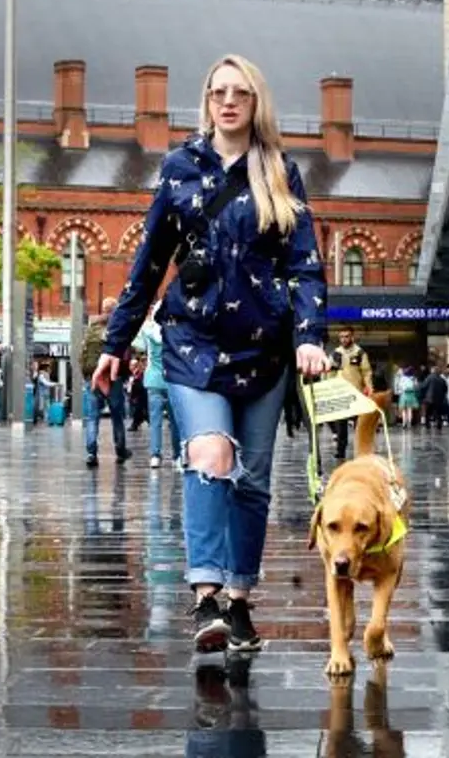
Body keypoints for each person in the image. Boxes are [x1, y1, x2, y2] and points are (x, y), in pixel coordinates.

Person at [91, 54, 330, 654]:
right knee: (209, 455)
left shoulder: (280, 171)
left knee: (252, 482)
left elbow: (304, 264)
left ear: (256, 103)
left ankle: (241, 602)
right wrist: (115, 343)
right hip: (192, 341)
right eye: (218, 92)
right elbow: (148, 263)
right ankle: (204, 597)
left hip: (263, 348)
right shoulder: (179, 169)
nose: (228, 102)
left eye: (240, 93)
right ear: (206, 102)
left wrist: (309, 336)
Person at [79, 296, 132, 467]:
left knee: (92, 417)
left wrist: (86, 375)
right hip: (112, 377)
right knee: (117, 416)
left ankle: (91, 453)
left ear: (103, 309)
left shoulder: (92, 327)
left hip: (93, 377)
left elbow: (83, 354)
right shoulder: (118, 327)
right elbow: (125, 353)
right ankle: (120, 450)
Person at [133, 303, 181, 470]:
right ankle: (177, 456)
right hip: (173, 380)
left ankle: (155, 455)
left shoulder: (147, 331)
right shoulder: (174, 332)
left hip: (153, 379)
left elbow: (140, 350)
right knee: (176, 421)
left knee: (155, 421)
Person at [327, 327, 373, 463]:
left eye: (346, 336)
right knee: (340, 426)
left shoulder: (359, 353)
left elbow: (366, 372)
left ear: (352, 337)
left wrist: (369, 387)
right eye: (341, 336)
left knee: (360, 425)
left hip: (356, 394)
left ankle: (362, 450)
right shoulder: (336, 353)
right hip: (341, 394)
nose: (344, 339)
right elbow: (330, 372)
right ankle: (340, 451)